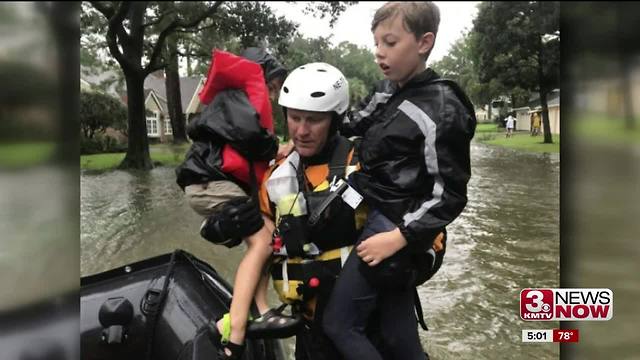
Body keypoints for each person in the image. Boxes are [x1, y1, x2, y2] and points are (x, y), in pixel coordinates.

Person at [321, 2, 476, 360]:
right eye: (376, 43)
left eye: (390, 42)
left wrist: (399, 237)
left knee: (341, 324)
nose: (379, 52)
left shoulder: (443, 107)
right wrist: (302, 134)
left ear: (424, 43)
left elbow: (449, 194)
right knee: (398, 338)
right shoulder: (387, 90)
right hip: (375, 206)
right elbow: (351, 124)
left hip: (396, 222)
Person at [175, 47, 298, 359]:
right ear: (260, 77)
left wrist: (280, 148)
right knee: (261, 242)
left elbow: (250, 145)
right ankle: (236, 333)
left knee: (270, 234)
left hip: (214, 182)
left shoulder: (233, 102)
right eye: (272, 87)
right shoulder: (236, 100)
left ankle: (261, 309)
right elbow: (253, 139)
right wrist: (276, 146)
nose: (271, 97)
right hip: (210, 184)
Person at [258, 62, 380, 360]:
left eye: (313, 120)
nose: (301, 131)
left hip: (366, 325)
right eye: (294, 118)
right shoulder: (275, 177)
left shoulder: (366, 162)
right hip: (309, 328)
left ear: (335, 120)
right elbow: (260, 246)